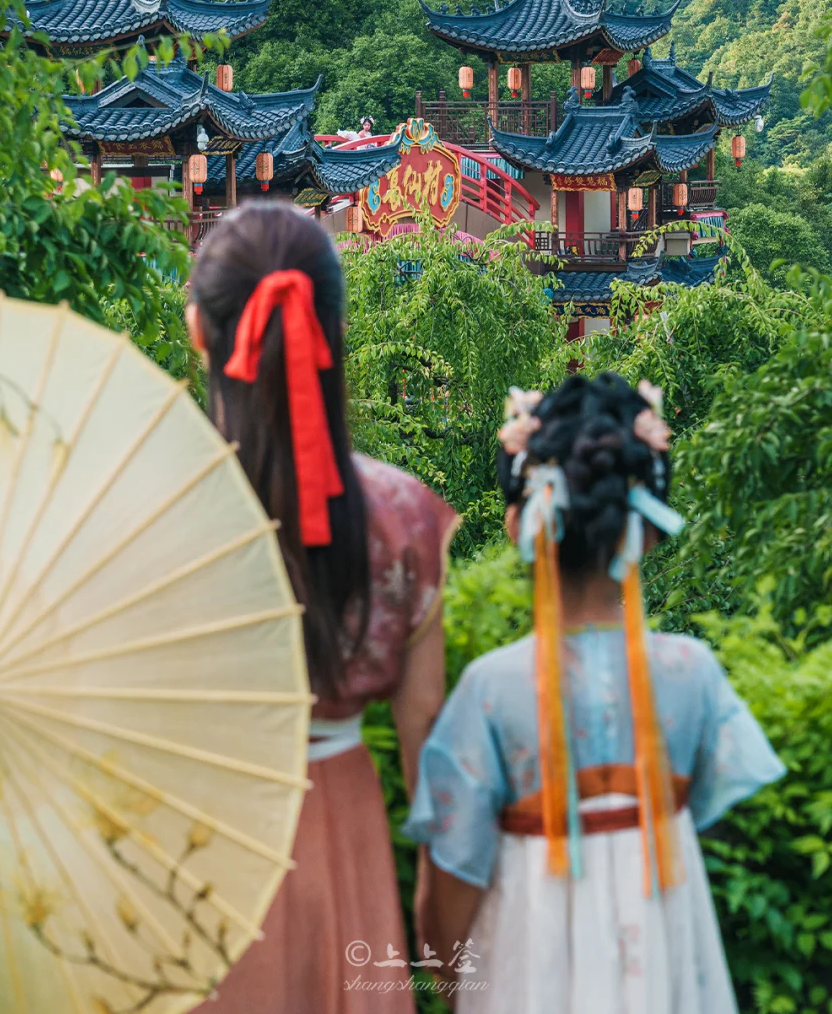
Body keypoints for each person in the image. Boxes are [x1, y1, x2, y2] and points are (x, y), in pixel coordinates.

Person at [406, 373, 785, 1013]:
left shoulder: (491, 689)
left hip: (527, 968)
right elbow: (706, 828)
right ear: (650, 527)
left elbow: (450, 884)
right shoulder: (693, 674)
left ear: (520, 523)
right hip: (666, 959)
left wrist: (454, 983)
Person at [187, 202, 458, 1014]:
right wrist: (436, 932)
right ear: (334, 333)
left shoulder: (148, 510)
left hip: (187, 852)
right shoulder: (403, 517)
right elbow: (432, 771)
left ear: (199, 329)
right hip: (344, 852)